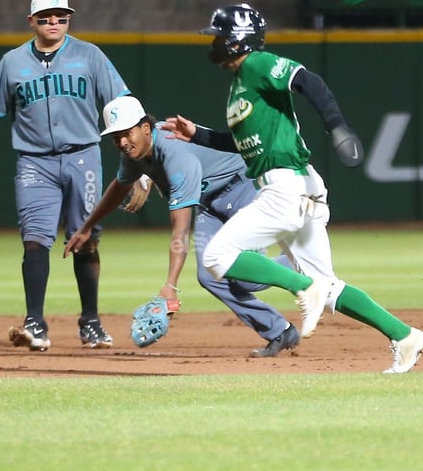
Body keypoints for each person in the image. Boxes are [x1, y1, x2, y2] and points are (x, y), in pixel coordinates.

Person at [160, 3, 423, 373]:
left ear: (238, 40)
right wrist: (199, 135)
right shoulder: (241, 84)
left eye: (221, 37)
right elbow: (243, 143)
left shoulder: (256, 64)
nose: (215, 44)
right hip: (297, 188)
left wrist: (337, 126)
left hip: (284, 186)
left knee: (217, 257)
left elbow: (307, 80)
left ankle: (301, 287)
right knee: (328, 287)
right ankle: (405, 336)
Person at [0, 0, 133, 352]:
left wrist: (140, 160)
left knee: (86, 238)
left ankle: (91, 322)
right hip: (35, 162)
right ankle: (35, 321)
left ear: (69, 19)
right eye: (46, 16)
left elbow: (122, 102)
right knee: (35, 240)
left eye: (61, 16)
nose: (54, 22)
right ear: (31, 20)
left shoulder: (89, 55)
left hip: (83, 156)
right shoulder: (13, 62)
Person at [64, 95, 302, 357]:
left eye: (127, 133)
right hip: (211, 203)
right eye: (115, 136)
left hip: (245, 189)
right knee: (210, 275)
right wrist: (87, 226)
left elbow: (180, 231)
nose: (122, 142)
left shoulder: (176, 156)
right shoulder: (134, 153)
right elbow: (118, 188)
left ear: (145, 128)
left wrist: (170, 287)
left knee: (245, 280)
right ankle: (280, 331)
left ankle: (300, 265)